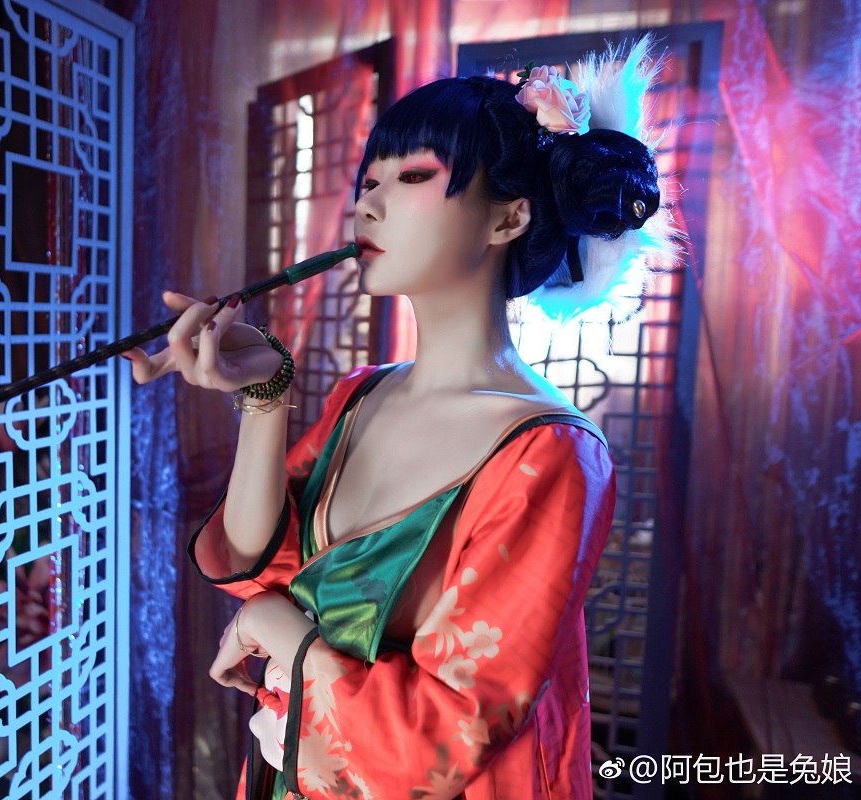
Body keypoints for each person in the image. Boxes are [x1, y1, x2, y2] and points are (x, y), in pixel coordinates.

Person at [124, 38, 672, 800]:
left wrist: (279, 634)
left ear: (509, 218)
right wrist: (267, 396)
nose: (367, 204)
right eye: (368, 180)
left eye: (412, 176)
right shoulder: (361, 394)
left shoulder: (553, 452)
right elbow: (262, 562)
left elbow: (443, 741)